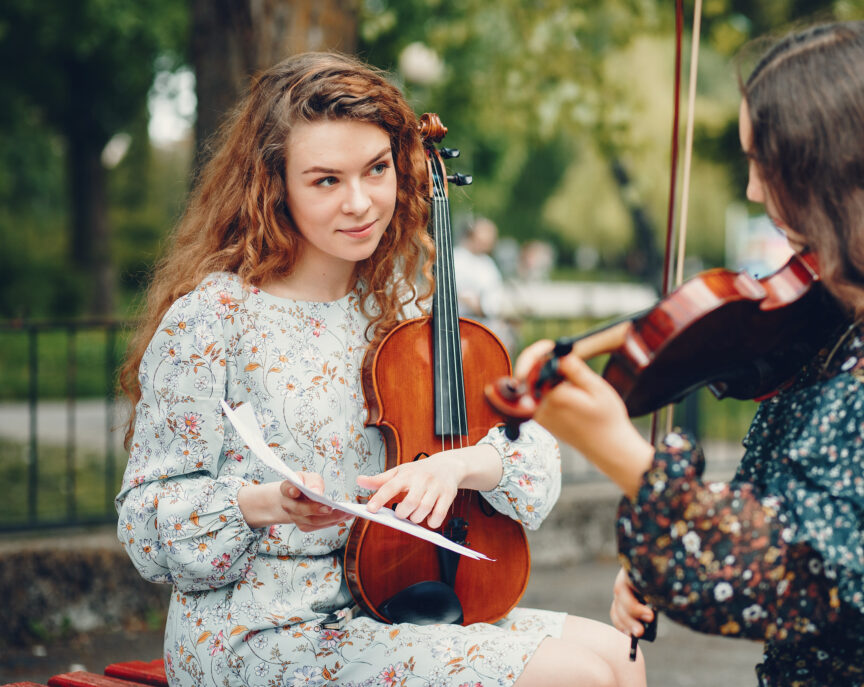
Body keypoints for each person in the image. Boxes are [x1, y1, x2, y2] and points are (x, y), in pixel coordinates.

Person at [513, 20, 864, 685]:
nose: (754, 190)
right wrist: (683, 529)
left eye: (767, 165)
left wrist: (623, 454)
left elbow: (786, 574)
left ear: (839, 173)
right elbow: (831, 502)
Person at [115, 51, 645, 687]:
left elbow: (532, 457)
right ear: (273, 185)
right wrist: (267, 503)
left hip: (403, 601)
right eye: (326, 180)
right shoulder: (213, 320)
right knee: (574, 677)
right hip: (263, 631)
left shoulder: (408, 303)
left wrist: (459, 464)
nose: (361, 202)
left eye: (376, 169)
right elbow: (146, 526)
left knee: (620, 654)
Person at [453, 215, 518, 351]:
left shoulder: (488, 263)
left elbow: (494, 296)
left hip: (485, 322)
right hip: (461, 323)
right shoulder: (456, 257)